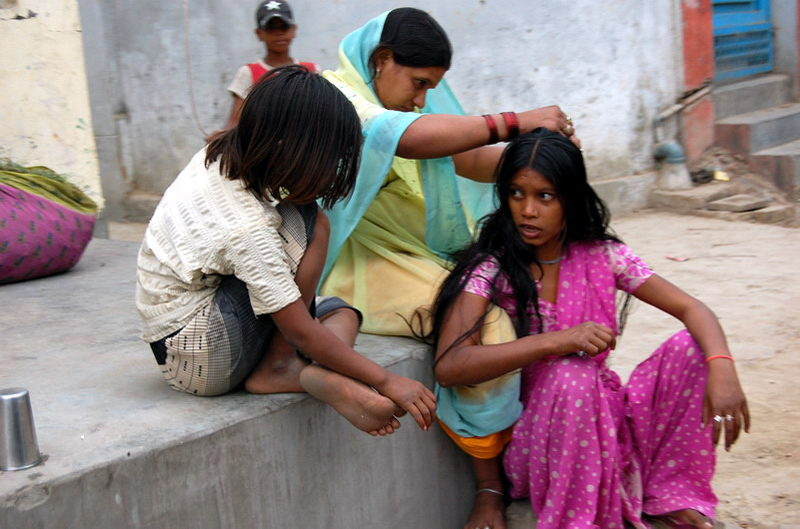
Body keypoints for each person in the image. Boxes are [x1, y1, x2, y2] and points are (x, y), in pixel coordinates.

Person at [424, 129, 751, 528]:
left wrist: (722, 366)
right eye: (516, 193)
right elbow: (451, 365)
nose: (527, 210)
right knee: (570, 375)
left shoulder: (604, 256)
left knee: (693, 348)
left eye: (545, 196)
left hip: (608, 420)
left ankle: (670, 493)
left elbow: (691, 308)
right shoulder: (493, 268)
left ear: (570, 198)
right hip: (538, 441)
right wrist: (554, 342)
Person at [136, 66, 436, 437]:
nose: (330, 175)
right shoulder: (246, 227)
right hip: (199, 352)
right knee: (314, 225)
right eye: (328, 161)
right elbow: (300, 330)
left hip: (193, 335)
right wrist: (387, 380)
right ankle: (280, 367)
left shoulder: (224, 154)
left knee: (341, 313)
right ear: (291, 149)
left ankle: (316, 373)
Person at [318, 8, 578, 339]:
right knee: (487, 328)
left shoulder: (403, 110)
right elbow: (405, 138)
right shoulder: (334, 97)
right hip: (356, 265)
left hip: (416, 253)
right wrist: (513, 123)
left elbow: (468, 160)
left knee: (521, 291)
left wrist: (544, 161)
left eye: (430, 88)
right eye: (419, 83)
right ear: (382, 58)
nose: (421, 100)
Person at [223, 0, 320, 130]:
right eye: (271, 28)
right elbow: (234, 123)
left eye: (283, 27)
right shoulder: (249, 73)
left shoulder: (311, 71)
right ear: (259, 33)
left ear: (293, 30)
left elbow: (323, 115)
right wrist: (220, 138)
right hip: (264, 146)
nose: (278, 33)